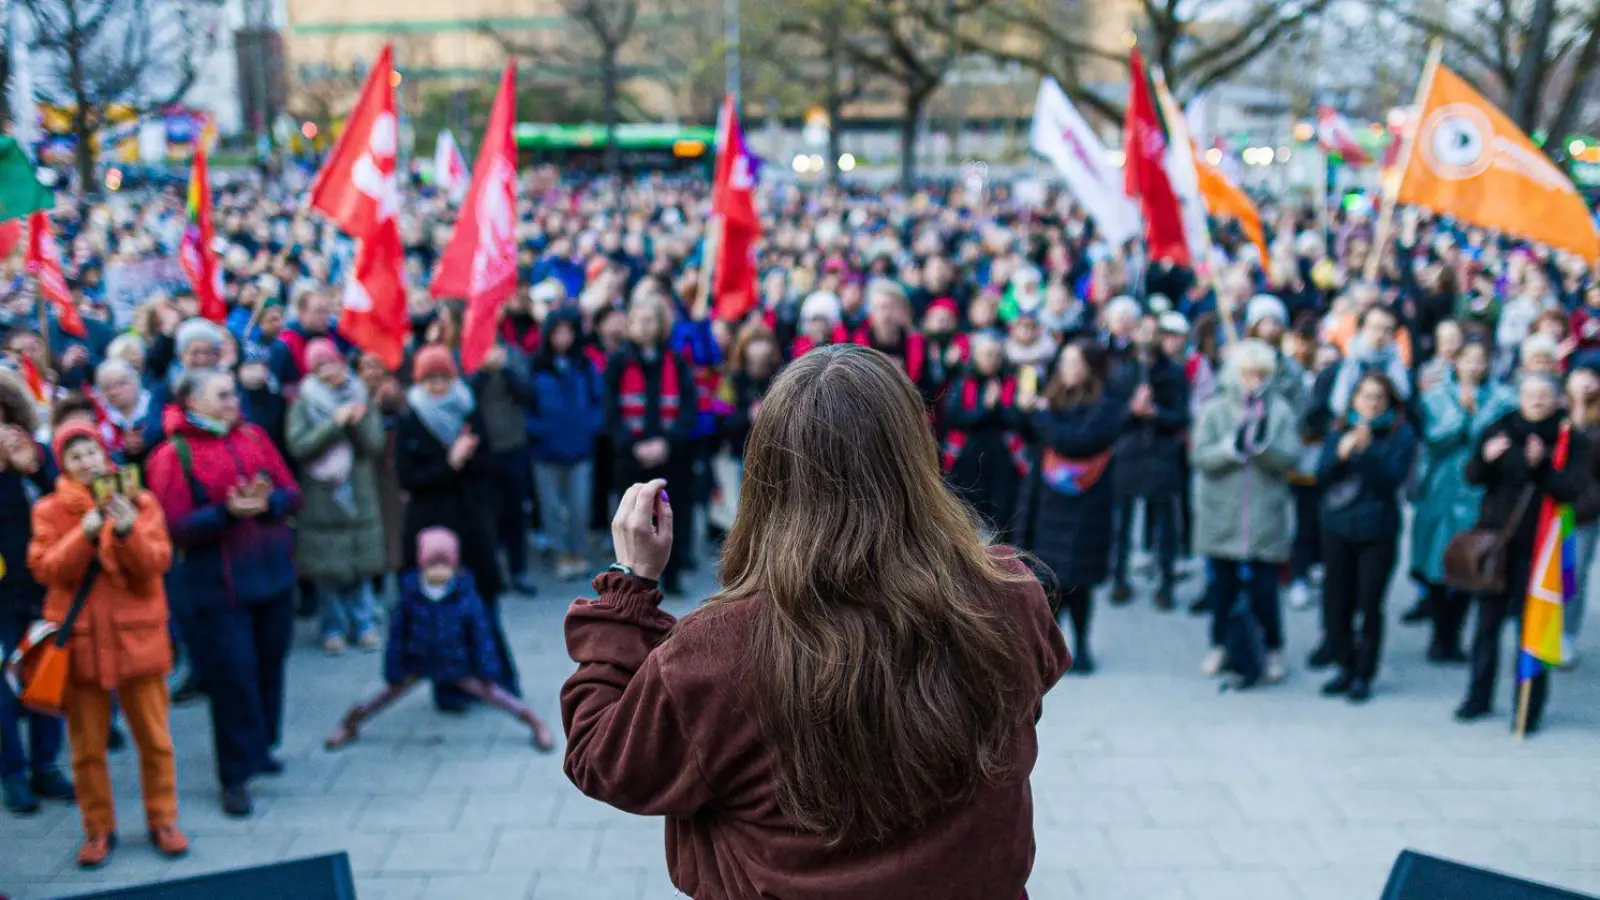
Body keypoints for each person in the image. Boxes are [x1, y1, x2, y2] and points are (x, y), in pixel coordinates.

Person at [562, 345, 1070, 899]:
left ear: (767, 477)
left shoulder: (718, 652)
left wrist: (628, 585)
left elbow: (602, 758)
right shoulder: (1009, 594)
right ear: (916, 460)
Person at [28, 421, 187, 867]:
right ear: (64, 464)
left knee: (155, 740)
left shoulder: (141, 500)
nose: (87, 463)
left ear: (105, 455)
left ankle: (164, 820)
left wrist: (126, 530)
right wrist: (85, 532)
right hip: (80, 644)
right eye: (75, 457)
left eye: (92, 453)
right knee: (87, 748)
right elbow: (46, 569)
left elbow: (157, 563)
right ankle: (97, 829)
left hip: (137, 640)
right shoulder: (48, 509)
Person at [146, 369, 301, 818]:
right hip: (218, 585)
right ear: (193, 402)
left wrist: (269, 503)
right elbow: (173, 526)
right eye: (224, 394)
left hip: (271, 572)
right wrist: (227, 513)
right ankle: (233, 775)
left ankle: (260, 746)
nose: (235, 401)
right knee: (233, 675)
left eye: (234, 393)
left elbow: (292, 492)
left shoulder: (253, 436)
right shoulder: (173, 455)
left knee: (271, 661)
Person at [324, 528, 555, 752]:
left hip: (457, 664)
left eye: (444, 564)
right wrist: (394, 669)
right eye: (432, 564)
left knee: (497, 696)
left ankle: (534, 722)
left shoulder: (465, 594)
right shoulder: (410, 594)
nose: (438, 570)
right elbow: (397, 636)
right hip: (417, 663)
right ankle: (351, 722)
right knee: (383, 697)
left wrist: (486, 669)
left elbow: (480, 635)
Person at [1456, 373, 1590, 732]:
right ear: (1518, 397)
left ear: (1558, 400)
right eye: (1529, 394)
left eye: (1544, 395)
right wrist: (1485, 460)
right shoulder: (1499, 429)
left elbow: (1572, 490)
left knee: (1531, 631)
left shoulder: (1569, 440)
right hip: (1496, 546)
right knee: (1486, 626)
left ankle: (1527, 708)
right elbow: (1471, 476)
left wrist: (1541, 466)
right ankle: (1477, 697)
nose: (1536, 401)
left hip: (1540, 551)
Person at [397, 345, 519, 700]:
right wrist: (450, 462)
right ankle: (449, 688)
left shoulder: (468, 408)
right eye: (430, 378)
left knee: (483, 604)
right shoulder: (411, 417)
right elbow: (408, 477)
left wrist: (468, 459)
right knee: (437, 606)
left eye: (443, 377)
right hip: (430, 527)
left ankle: (498, 680)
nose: (437, 385)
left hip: (470, 521)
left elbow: (487, 464)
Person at [1192, 340, 1300, 684]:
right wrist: (1230, 449)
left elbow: (1290, 458)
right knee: (1221, 586)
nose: (1254, 381)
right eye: (1248, 373)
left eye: (1261, 374)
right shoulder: (1215, 409)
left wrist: (1264, 448)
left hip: (1263, 515)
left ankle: (1272, 648)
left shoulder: (1279, 410)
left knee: (1266, 589)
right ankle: (1220, 644)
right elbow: (1200, 457)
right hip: (1222, 513)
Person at [1017, 339, 1125, 673]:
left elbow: (1077, 441)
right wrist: (1025, 410)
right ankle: (1051, 647)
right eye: (1064, 362)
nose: (1066, 368)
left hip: (1085, 502)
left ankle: (1081, 645)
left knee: (1078, 581)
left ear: (1090, 367)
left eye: (1074, 362)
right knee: (1049, 579)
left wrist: (1041, 416)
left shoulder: (1106, 404)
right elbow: (1031, 435)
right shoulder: (1052, 397)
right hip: (1048, 500)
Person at [1410, 340, 1516, 662]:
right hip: (1441, 489)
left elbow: (1501, 442)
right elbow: (1433, 439)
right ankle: (1439, 634)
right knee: (1438, 562)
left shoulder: (1503, 400)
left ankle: (1454, 634)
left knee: (1469, 562)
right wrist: (1461, 417)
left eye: (1480, 360)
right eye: (1467, 359)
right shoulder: (1435, 397)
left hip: (1479, 493)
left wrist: (1477, 419)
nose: (1473, 367)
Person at [1315, 373, 1416, 703]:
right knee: (1336, 602)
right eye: (1365, 396)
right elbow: (1322, 476)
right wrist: (1341, 455)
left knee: (1369, 604)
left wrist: (1366, 451)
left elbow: (1391, 481)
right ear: (1353, 399)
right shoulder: (1338, 429)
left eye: (1378, 398)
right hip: (1338, 527)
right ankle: (1344, 663)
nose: (1371, 404)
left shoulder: (1401, 435)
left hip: (1377, 530)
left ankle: (1364, 672)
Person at [0, 370, 72, 816]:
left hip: (41, 588)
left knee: (46, 677)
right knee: (3, 690)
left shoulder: (37, 457)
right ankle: (13, 772)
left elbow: (67, 508)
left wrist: (35, 469)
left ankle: (46, 764)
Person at [286, 339, 388, 654]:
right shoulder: (303, 402)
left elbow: (374, 445)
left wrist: (357, 423)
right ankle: (332, 627)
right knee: (328, 568)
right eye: (320, 366)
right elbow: (298, 445)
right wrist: (334, 424)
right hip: (322, 496)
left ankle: (364, 623)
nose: (329, 371)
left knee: (359, 561)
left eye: (332, 362)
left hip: (358, 490)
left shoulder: (360, 395)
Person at [604, 301, 697, 594]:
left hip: (670, 456)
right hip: (631, 458)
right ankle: (633, 577)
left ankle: (673, 577)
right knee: (633, 518)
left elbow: (687, 407)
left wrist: (667, 444)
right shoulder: (618, 362)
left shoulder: (676, 361)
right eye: (638, 319)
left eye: (650, 319)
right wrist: (633, 447)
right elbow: (610, 411)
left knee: (674, 515)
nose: (644, 325)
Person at [1109, 314, 1190, 610]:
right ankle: (1118, 577)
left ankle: (1166, 581)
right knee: (1122, 520)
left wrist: (1155, 411)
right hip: (1130, 453)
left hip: (1161, 454)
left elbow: (1181, 417)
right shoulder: (1122, 372)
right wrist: (1133, 409)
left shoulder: (1174, 373)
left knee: (1165, 522)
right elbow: (1112, 418)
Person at [528, 309, 606, 581]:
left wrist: (589, 427)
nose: (562, 337)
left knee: (579, 505)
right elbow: (526, 406)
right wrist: (539, 430)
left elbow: (599, 402)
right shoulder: (536, 367)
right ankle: (561, 553)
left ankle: (579, 552)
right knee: (551, 508)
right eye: (557, 331)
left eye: (567, 331)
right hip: (545, 451)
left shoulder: (585, 366)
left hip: (580, 449)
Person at [1563, 366, 1600, 660]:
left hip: (1585, 510)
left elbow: (1586, 451)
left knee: (1574, 573)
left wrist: (1580, 409)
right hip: (1549, 507)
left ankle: (1567, 633)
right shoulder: (1552, 408)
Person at [92, 360, 161, 467]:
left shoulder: (157, 407)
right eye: (106, 387)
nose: (114, 392)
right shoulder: (101, 421)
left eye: (121, 384)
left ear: (136, 382)